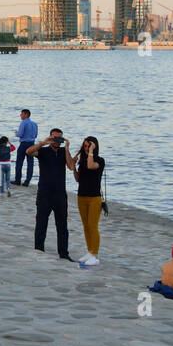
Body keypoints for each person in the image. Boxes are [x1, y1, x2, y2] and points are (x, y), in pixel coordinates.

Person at [30, 127, 75, 260]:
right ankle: (39, 249)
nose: (56, 141)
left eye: (59, 138)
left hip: (60, 194)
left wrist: (66, 148)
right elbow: (28, 152)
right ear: (50, 138)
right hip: (44, 193)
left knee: (62, 226)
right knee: (41, 223)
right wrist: (43, 143)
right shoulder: (43, 151)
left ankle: (63, 253)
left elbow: (71, 166)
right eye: (54, 138)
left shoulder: (63, 151)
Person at [73, 136, 105, 268]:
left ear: (94, 146)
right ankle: (89, 251)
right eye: (85, 146)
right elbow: (78, 179)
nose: (86, 148)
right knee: (86, 226)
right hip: (82, 196)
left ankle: (95, 255)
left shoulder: (99, 160)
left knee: (93, 226)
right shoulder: (83, 160)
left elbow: (91, 166)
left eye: (89, 146)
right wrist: (74, 167)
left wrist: (91, 151)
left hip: (94, 197)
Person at [15, 108, 38, 187]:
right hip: (32, 144)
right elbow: (35, 135)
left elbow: (20, 134)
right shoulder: (34, 124)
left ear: (25, 114)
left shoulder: (23, 123)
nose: (20, 115)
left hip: (24, 144)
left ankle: (18, 180)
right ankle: (27, 181)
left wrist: (16, 133)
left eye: (21, 114)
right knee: (30, 163)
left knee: (19, 162)